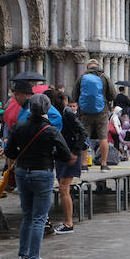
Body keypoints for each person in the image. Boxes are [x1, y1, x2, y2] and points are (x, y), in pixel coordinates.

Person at [4, 92, 71, 259]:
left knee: (27, 215)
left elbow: (10, 152)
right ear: (47, 109)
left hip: (22, 173)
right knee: (39, 217)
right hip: (42, 172)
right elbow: (65, 155)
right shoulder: (50, 130)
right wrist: (50, 153)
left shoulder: (19, 126)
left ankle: (22, 257)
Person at [48, 91, 87, 234]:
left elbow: (83, 132)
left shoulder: (66, 113)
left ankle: (69, 223)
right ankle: (67, 222)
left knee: (64, 188)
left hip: (70, 154)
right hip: (61, 153)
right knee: (63, 188)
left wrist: (75, 152)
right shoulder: (55, 115)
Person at [77, 59, 116, 171]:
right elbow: (113, 95)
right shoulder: (104, 77)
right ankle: (103, 164)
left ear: (88, 67)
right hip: (102, 112)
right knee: (103, 138)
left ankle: (84, 164)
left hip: (85, 113)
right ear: (98, 66)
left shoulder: (82, 77)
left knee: (84, 137)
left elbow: (75, 95)